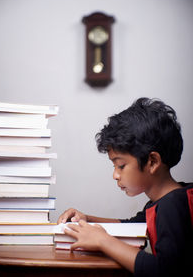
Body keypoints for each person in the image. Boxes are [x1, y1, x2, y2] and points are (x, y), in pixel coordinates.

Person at [57, 97, 193, 277]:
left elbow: (166, 272)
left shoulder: (171, 207)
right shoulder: (165, 201)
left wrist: (104, 241)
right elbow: (131, 226)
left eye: (120, 165)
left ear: (152, 162)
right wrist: (86, 219)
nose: (115, 175)